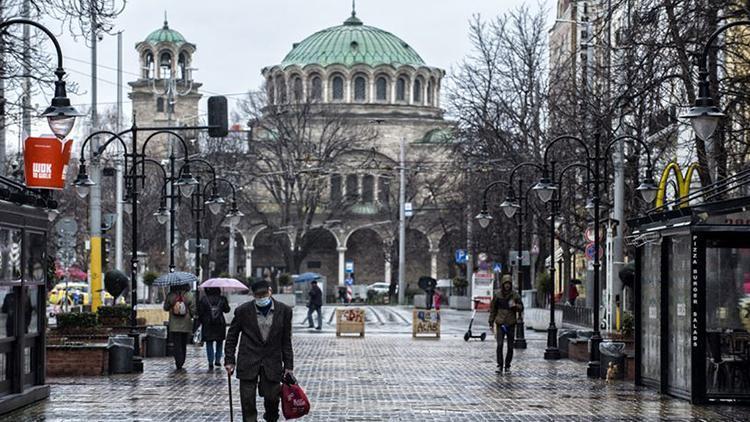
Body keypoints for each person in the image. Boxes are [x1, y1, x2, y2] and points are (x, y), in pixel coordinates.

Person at [225, 280, 294, 422]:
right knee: (247, 400)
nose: (261, 298)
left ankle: (271, 418)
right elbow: (232, 337)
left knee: (272, 398)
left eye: (263, 294)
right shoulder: (243, 311)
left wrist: (288, 366)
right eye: (258, 295)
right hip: (248, 360)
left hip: (272, 361)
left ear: (270, 291)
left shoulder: (285, 311)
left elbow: (286, 340)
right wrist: (229, 360)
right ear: (253, 295)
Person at [489, 276, 523, 374]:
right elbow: (493, 309)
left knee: (510, 347)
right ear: (503, 284)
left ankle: (507, 365)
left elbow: (521, 307)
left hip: (511, 323)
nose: (507, 285)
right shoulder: (498, 295)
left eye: (509, 283)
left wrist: (515, 306)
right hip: (500, 323)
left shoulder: (515, 295)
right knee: (499, 345)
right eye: (505, 283)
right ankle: (500, 365)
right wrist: (491, 321)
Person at [163, 284, 196, 370]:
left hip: (174, 324)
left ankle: (178, 361)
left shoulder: (171, 295)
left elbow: (165, 308)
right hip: (186, 323)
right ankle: (182, 360)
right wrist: (191, 315)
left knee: (176, 344)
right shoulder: (189, 295)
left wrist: (171, 305)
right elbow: (193, 309)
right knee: (183, 343)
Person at [197, 287, 230, 370]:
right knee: (219, 342)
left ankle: (210, 362)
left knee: (209, 343)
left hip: (208, 323)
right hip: (220, 323)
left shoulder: (204, 299)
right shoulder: (222, 299)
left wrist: (201, 321)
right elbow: (227, 310)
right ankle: (218, 360)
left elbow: (200, 312)